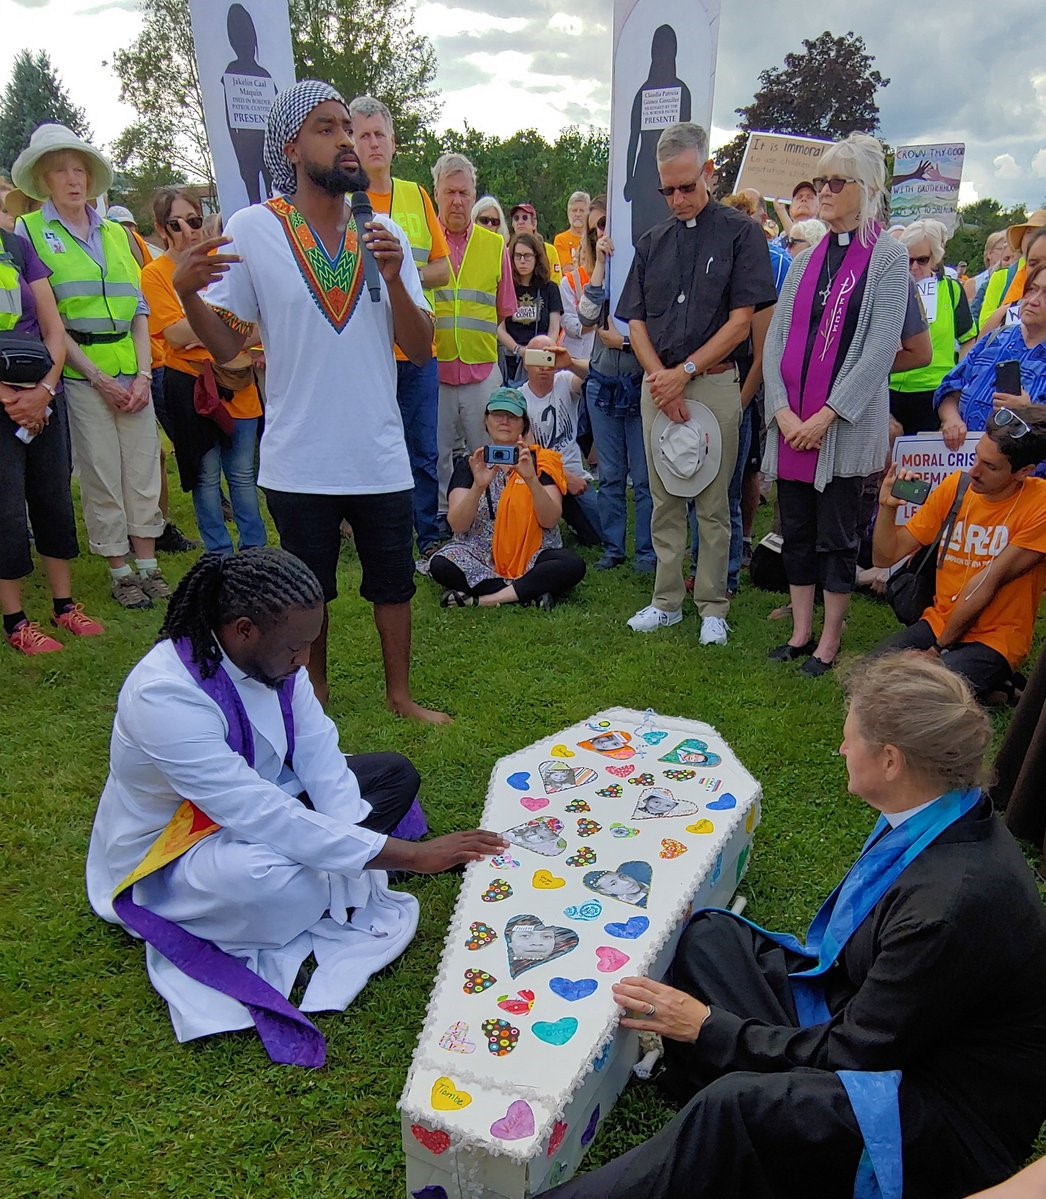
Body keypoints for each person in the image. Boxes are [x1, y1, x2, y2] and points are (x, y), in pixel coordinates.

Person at [546, 653, 1046, 1199]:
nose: (840, 749)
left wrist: (708, 1027)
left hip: (936, 1114)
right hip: (880, 1023)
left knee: (733, 1108)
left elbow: (857, 1054)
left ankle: (728, 1124)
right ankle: (728, 1109)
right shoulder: (942, 814)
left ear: (890, 761)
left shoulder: (950, 905)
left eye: (850, 738)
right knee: (711, 939)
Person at [85, 548, 505, 1060]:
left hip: (266, 797)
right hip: (177, 845)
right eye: (295, 648)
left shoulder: (278, 658)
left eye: (309, 644)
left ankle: (336, 865)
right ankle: (322, 872)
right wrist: (410, 856)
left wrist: (353, 840)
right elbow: (256, 812)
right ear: (243, 630)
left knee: (394, 775)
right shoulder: (162, 696)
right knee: (268, 881)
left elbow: (318, 753)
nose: (305, 660)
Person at [171, 80, 447, 723]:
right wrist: (187, 297)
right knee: (305, 590)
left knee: (393, 583)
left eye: (349, 127)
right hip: (299, 454)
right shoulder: (253, 229)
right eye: (328, 128)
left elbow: (422, 347)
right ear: (292, 147)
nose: (347, 140)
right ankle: (313, 701)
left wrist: (394, 281)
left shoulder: (384, 236)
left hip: (377, 448)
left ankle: (400, 696)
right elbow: (227, 345)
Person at [761, 133, 931, 676]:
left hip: (841, 428)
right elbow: (777, 339)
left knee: (836, 538)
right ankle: (800, 631)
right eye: (820, 182)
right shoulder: (808, 255)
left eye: (837, 182)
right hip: (794, 426)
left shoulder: (887, 256)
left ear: (868, 189)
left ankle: (829, 642)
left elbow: (883, 345)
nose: (825, 191)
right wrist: (784, 411)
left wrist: (826, 416)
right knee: (797, 532)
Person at [616, 121, 777, 644]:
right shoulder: (651, 241)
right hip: (659, 382)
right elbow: (634, 320)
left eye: (687, 186)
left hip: (711, 380)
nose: (679, 198)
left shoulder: (741, 232)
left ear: (708, 172)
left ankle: (712, 605)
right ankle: (665, 600)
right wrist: (660, 377)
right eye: (669, 189)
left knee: (712, 500)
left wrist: (682, 374)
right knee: (662, 495)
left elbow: (741, 321)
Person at [12, 124, 168, 610]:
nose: (73, 180)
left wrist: (143, 375)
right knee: (101, 470)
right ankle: (119, 569)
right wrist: (97, 378)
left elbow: (139, 308)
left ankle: (149, 564)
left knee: (141, 468)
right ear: (43, 179)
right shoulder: (31, 231)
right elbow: (48, 317)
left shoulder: (118, 235)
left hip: (131, 364)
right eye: (60, 171)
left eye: (79, 169)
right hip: (80, 372)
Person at [871, 407, 1046, 699]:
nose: (974, 470)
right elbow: (884, 557)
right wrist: (887, 507)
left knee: (917, 695)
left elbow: (987, 583)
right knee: (872, 672)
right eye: (977, 456)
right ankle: (987, 687)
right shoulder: (957, 486)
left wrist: (936, 650)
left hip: (995, 638)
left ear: (1024, 472)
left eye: (990, 466)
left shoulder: (1039, 505)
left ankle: (990, 680)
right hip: (940, 619)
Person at [349, 95, 450, 560]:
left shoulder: (415, 195)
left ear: (393, 143)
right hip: (365, 350)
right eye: (362, 134)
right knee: (372, 446)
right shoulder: (341, 200)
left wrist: (400, 271)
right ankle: (377, 536)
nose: (371, 144)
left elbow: (442, 269)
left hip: (415, 344)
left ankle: (427, 535)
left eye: (378, 135)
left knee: (423, 449)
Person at [141, 187, 266, 557]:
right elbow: (175, 336)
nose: (189, 230)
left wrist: (216, 329)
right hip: (192, 388)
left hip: (237, 384)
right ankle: (218, 554)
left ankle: (255, 551)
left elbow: (257, 322)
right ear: (162, 229)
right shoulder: (155, 274)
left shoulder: (225, 263)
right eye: (176, 224)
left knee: (243, 475)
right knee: (206, 477)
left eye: (194, 220)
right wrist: (226, 328)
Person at [1, 222, 104, 653]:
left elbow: (54, 329)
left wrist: (44, 389)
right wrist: (8, 398)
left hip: (44, 395)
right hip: (4, 401)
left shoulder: (17, 247)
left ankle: (65, 606)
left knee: (54, 499)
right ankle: (16, 620)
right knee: (5, 509)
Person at [427, 388, 585, 610]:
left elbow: (549, 521)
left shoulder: (540, 463)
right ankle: (529, 592)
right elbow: (458, 525)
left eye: (512, 416)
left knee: (571, 564)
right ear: (486, 420)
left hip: (533, 552)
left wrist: (531, 479)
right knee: (442, 563)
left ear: (524, 425)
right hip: (480, 552)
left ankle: (484, 600)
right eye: (497, 415)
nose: (504, 421)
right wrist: (478, 486)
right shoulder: (471, 464)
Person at [432, 152, 517, 518]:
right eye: (449, 191)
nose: (457, 200)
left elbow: (503, 308)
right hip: (433, 368)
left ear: (474, 193)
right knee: (435, 455)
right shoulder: (423, 240)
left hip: (481, 368)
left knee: (488, 450)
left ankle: (492, 518)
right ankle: (440, 522)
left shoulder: (494, 244)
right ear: (436, 192)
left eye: (464, 192)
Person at [578, 206, 655, 574]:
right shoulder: (603, 269)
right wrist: (601, 265)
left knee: (642, 477)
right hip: (603, 385)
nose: (604, 233)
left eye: (609, 225)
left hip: (639, 384)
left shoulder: (648, 264)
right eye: (598, 228)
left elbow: (659, 330)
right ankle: (612, 548)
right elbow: (586, 317)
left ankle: (646, 553)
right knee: (609, 474)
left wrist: (623, 343)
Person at [935, 262, 1046, 464]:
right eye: (1032, 289)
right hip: (965, 466)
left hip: (1026, 485)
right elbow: (950, 387)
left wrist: (1028, 411)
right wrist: (950, 419)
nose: (1033, 301)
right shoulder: (996, 338)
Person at [889, 219, 977, 435]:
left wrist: (957, 380)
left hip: (934, 391)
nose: (913, 267)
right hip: (890, 389)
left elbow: (968, 338)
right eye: (907, 260)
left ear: (935, 259)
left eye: (922, 260)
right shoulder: (890, 289)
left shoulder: (952, 290)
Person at [516, 334, 604, 547]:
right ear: (527, 363)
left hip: (575, 477)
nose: (544, 367)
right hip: (541, 481)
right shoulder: (518, 398)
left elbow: (597, 373)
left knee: (599, 535)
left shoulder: (565, 380)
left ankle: (571, 519)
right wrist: (565, 478)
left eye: (549, 358)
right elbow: (532, 453)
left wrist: (570, 363)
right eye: (537, 358)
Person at [497, 232, 563, 383]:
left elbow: (554, 328)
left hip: (541, 357)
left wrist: (543, 350)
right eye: (518, 256)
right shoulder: (505, 287)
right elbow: (499, 328)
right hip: (510, 356)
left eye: (527, 256)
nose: (522, 261)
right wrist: (519, 350)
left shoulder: (550, 289)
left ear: (536, 257)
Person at [508, 202, 562, 283]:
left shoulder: (549, 250)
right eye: (516, 218)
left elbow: (556, 281)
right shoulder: (507, 252)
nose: (520, 222)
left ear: (534, 223)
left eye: (525, 218)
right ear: (512, 224)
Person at [554, 190, 591, 271]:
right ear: (568, 213)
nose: (577, 214)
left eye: (581, 210)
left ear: (589, 213)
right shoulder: (561, 239)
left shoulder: (593, 238)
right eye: (574, 210)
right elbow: (566, 269)